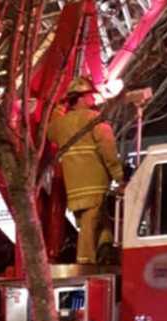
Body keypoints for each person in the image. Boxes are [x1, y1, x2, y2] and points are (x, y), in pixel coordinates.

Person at [47, 77, 124, 265]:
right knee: (90, 226)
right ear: (81, 98)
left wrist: (59, 105)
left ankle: (106, 251)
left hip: (74, 187)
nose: (93, 99)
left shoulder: (61, 124)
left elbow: (50, 132)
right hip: (95, 184)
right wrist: (121, 177)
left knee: (98, 222)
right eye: (90, 96)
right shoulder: (95, 120)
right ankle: (85, 262)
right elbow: (109, 152)